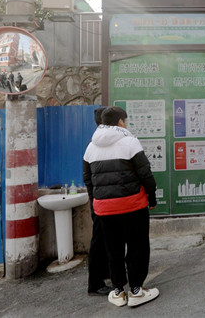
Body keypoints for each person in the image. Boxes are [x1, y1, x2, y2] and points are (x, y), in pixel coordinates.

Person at [83, 106, 159, 307]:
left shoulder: (91, 146)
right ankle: (136, 291)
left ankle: (118, 292)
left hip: (104, 208)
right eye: (125, 121)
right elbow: (145, 173)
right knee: (137, 247)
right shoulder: (130, 142)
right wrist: (152, 197)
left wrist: (96, 202)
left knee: (112, 249)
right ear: (120, 122)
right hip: (132, 205)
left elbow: (88, 179)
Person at [86, 106, 113, 297]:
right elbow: (89, 177)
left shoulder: (95, 143)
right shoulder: (96, 145)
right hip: (101, 201)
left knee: (106, 239)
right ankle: (95, 284)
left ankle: (106, 272)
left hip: (99, 199)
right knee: (99, 241)